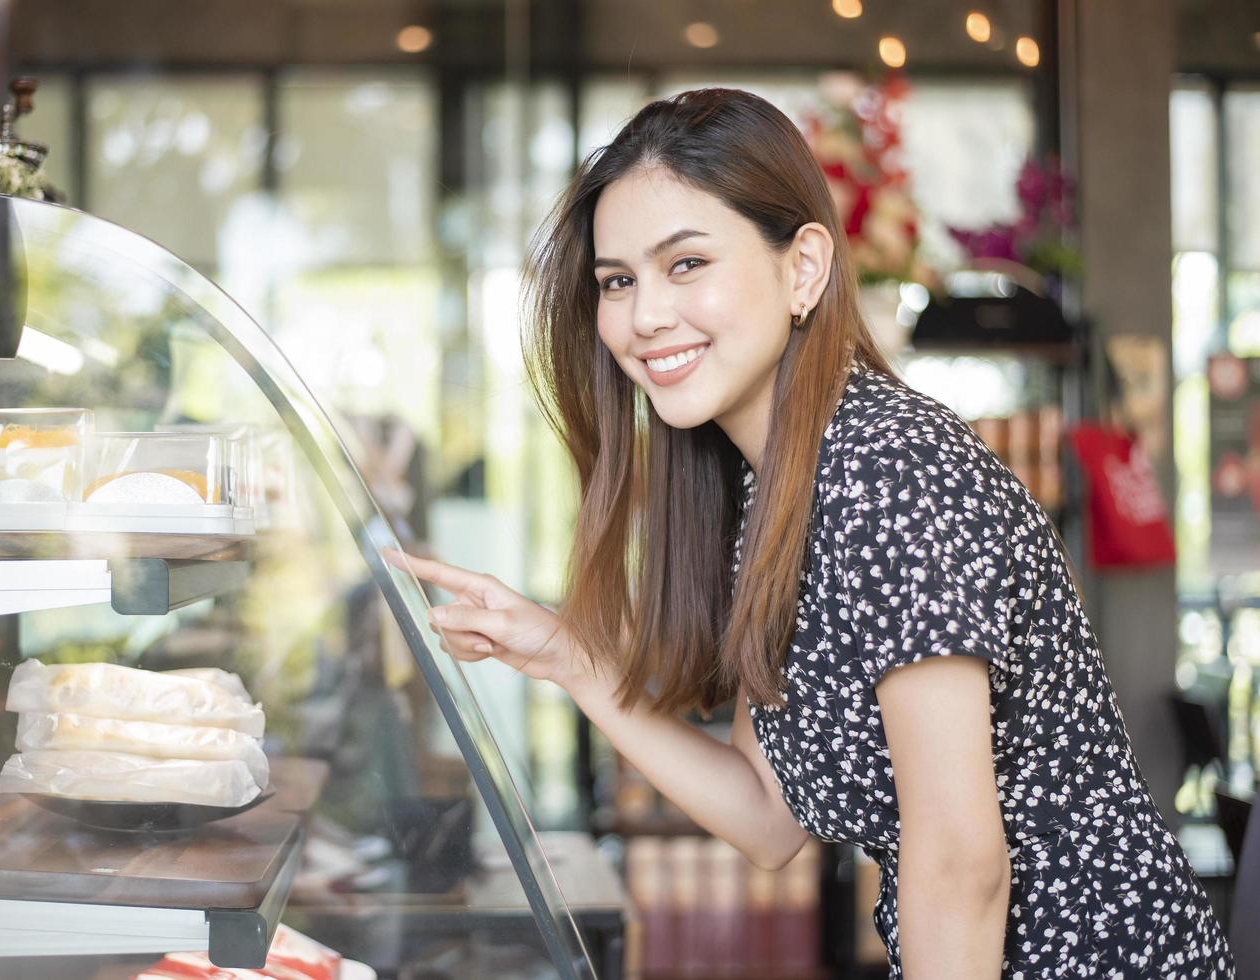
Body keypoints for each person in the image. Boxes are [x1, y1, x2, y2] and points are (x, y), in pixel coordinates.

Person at [383, 88, 1234, 978]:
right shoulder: (780, 488)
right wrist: (565, 657)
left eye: (686, 265)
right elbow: (766, 817)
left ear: (804, 268)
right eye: (618, 280)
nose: (643, 317)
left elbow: (959, 862)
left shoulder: (886, 469)